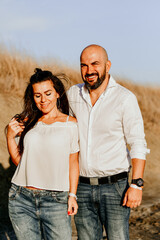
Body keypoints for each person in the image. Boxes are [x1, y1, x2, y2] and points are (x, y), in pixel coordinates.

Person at [67, 44, 149, 240]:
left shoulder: (125, 98)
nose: (89, 71)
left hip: (115, 187)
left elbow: (137, 142)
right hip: (82, 187)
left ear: (108, 65)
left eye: (95, 64)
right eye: (84, 65)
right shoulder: (72, 95)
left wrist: (136, 185)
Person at [6, 68, 79, 240]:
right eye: (37, 95)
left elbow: (73, 162)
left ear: (58, 93)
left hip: (56, 200)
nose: (43, 100)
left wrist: (72, 196)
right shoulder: (29, 122)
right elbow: (20, 162)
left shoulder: (71, 124)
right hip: (21, 198)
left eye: (48, 93)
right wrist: (10, 137)